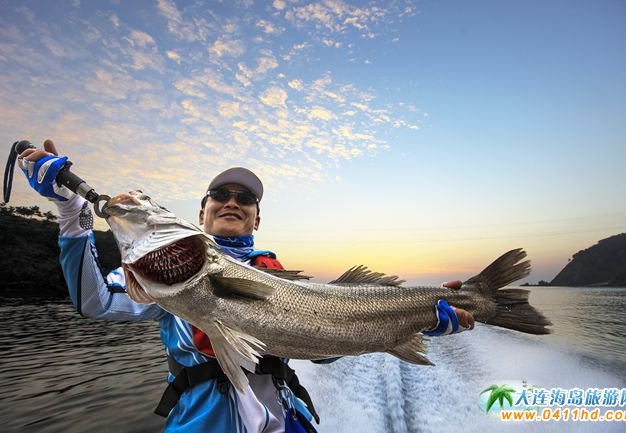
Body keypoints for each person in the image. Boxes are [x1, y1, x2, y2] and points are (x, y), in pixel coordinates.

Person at [19, 140, 475, 433]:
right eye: (220, 195)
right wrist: (71, 214)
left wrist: (416, 321)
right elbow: (95, 301)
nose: (232, 202)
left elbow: (324, 349)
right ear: (200, 213)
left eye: (246, 199)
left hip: (287, 418)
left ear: (257, 218)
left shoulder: (273, 274)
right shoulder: (155, 281)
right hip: (200, 422)